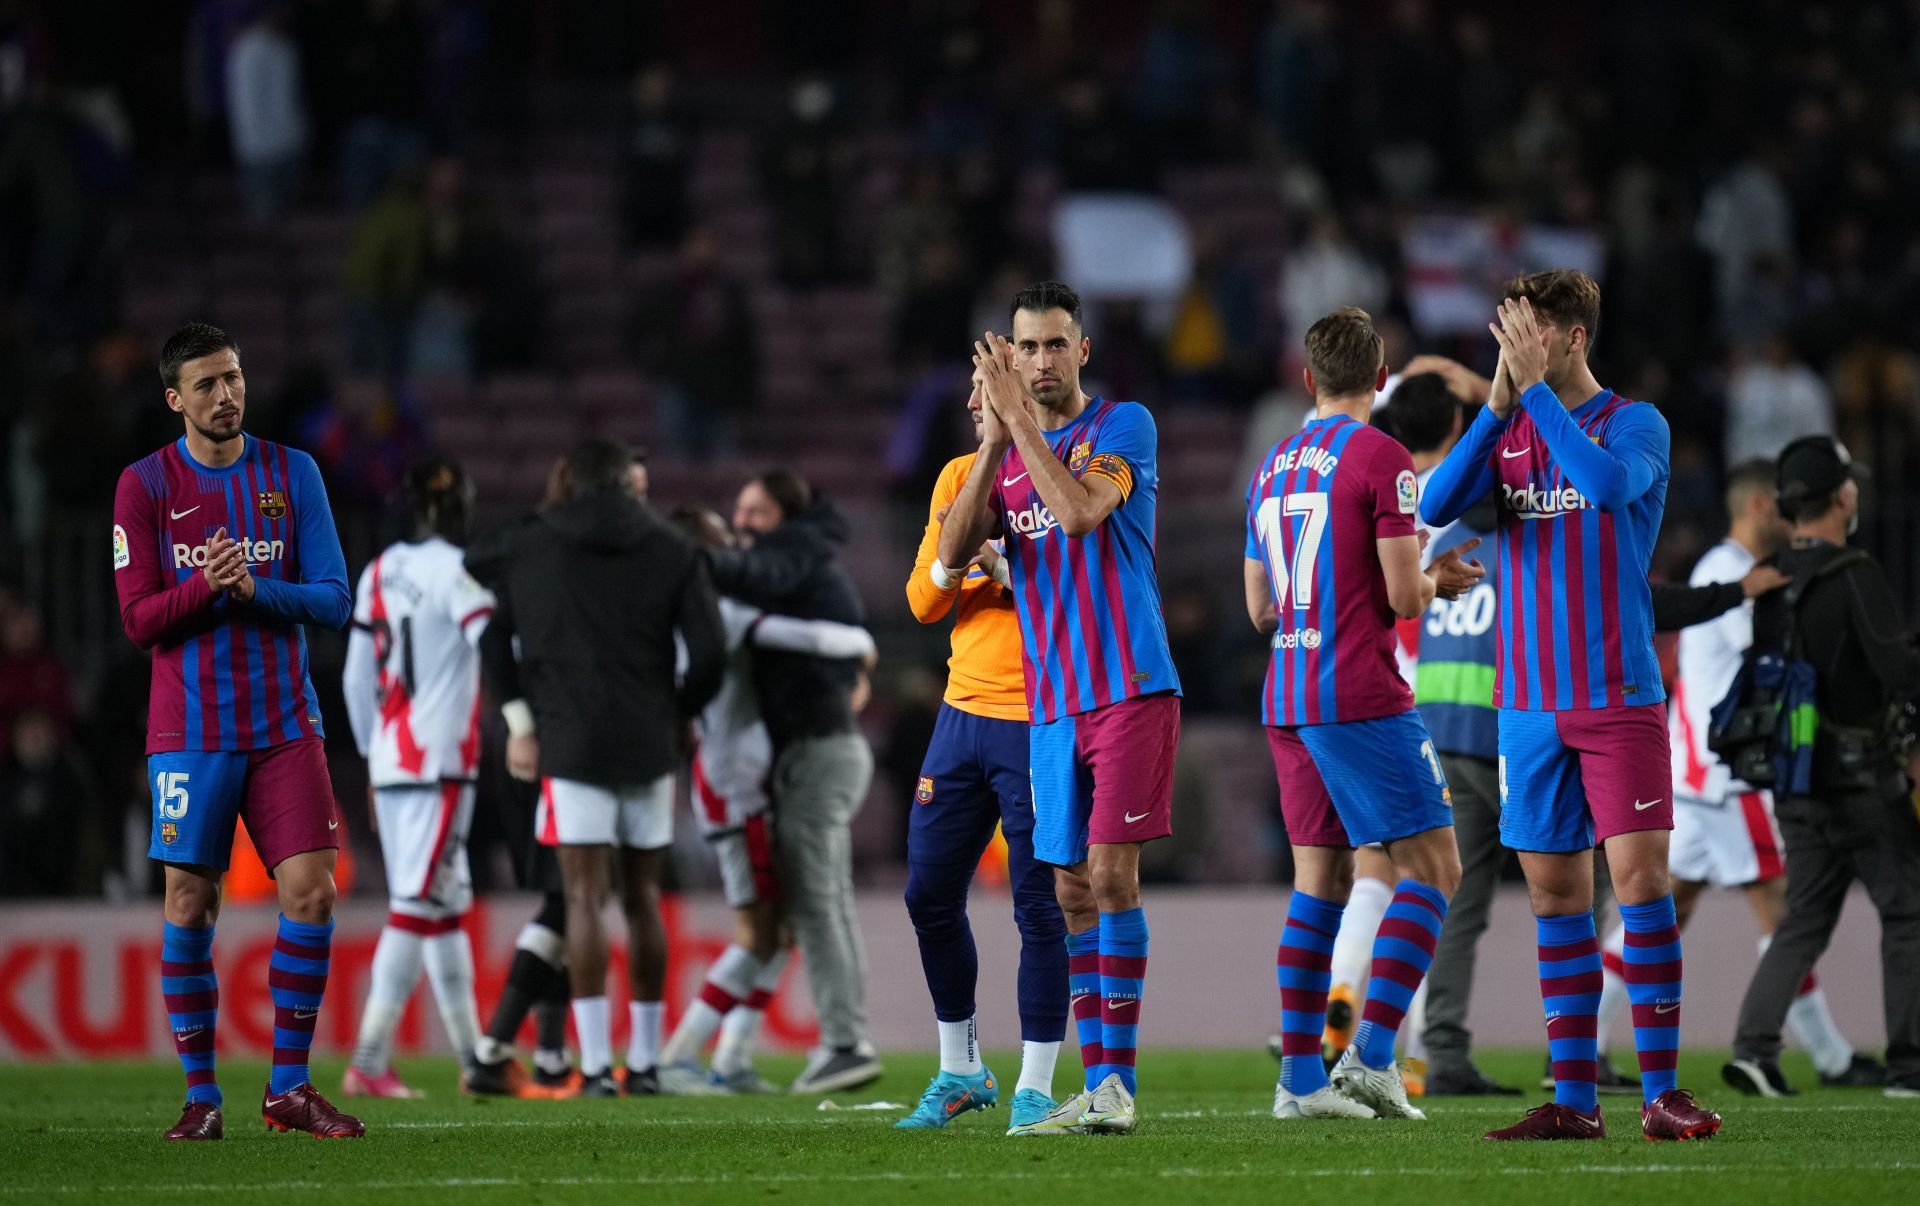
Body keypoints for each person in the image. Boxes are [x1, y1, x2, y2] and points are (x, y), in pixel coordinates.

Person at [1421, 271, 1723, 1141]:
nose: (1510, 348)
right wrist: (1495, 407)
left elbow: (1603, 486)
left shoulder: (1635, 423)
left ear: (1573, 337)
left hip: (1616, 692)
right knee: (1554, 897)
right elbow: (1436, 506)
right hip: (1526, 702)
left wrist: (1532, 405)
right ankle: (1576, 1101)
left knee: (1639, 884)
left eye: (1528, 334)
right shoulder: (1509, 426)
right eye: (1505, 332)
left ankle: (1662, 1095)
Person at [935, 280, 1183, 1136]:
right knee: (1072, 891)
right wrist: (994, 440)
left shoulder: (1123, 427)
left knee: (1113, 878)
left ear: (1083, 351)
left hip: (1129, 689)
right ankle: (1099, 1087)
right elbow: (954, 550)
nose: (1040, 362)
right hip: (1051, 705)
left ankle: (1117, 1086)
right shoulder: (1003, 451)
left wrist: (1023, 431)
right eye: (1026, 348)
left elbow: (1078, 515)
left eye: (1054, 345)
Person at [113, 323, 360, 1140]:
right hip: (190, 730)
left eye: (235, 377)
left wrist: (253, 587)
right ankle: (202, 1096)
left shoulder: (294, 474)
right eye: (208, 384)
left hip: (285, 724)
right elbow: (140, 620)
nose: (227, 395)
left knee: (313, 890)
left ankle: (288, 1087)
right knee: (188, 903)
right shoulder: (144, 486)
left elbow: (332, 600)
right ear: (174, 399)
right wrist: (208, 591)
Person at [1249, 313, 1481, 1123]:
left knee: (1321, 881)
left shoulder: (1272, 463)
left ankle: (1300, 1084)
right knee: (1437, 870)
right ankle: (1376, 1059)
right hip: (1359, 691)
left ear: (1307, 379)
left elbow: (1258, 606)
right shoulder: (1381, 455)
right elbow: (1403, 596)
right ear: (1380, 379)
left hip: (1288, 690)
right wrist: (1437, 577)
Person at [1597, 460, 1874, 1091]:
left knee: (1667, 906)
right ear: (1754, 505)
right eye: (1780, 504)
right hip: (1727, 780)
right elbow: (1767, 661)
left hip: (1695, 774)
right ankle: (1826, 1057)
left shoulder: (1728, 571)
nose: (1789, 514)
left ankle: (1581, 1045)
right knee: (1784, 910)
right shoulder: (1728, 575)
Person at [465, 436, 727, 1097]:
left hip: (571, 743)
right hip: (648, 742)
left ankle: (591, 1066)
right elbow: (711, 652)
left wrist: (523, 715)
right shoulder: (673, 548)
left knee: (582, 897)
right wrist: (679, 711)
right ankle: (642, 1064)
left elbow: (484, 601)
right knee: (643, 900)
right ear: (629, 483)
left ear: (568, 479)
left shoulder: (533, 543)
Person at [894, 366, 1070, 1133]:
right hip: (961, 715)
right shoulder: (961, 477)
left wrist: (1001, 567)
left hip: (1042, 718)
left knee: (1038, 905)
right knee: (928, 894)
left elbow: (1081, 590)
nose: (970, 403)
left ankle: (1034, 1086)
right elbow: (924, 599)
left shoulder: (1067, 479)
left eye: (982, 389)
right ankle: (962, 1069)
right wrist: (977, 562)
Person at [657, 503, 877, 1096]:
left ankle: (730, 1056)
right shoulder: (720, 611)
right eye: (718, 534)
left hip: (732, 780)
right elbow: (811, 636)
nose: (732, 542)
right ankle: (676, 1058)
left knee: (777, 928)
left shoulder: (683, 612)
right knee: (759, 933)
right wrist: (860, 642)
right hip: (736, 786)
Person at [1728, 436, 1920, 1099]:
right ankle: (1910, 1067)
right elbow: (1897, 672)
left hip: (1794, 779)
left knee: (1803, 919)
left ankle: (1754, 1047)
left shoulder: (1772, 578)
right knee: (1907, 911)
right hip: (1863, 780)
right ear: (1842, 497)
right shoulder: (1856, 571)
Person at [338, 458, 491, 1099]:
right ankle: (369, 1059)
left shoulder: (378, 572)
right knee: (414, 904)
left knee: (443, 906)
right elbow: (495, 646)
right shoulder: (460, 572)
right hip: (440, 762)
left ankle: (475, 1059)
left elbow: (353, 680)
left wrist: (374, 757)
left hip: (395, 760)